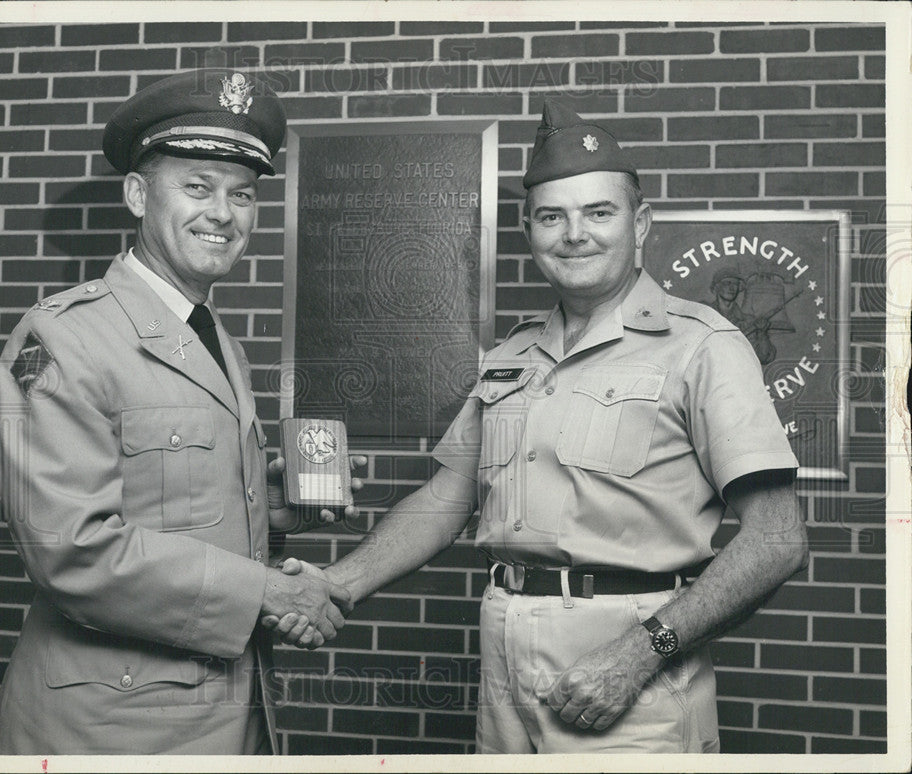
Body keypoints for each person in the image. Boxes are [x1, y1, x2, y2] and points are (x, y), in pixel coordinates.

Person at [266, 100, 809, 753]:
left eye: (598, 212)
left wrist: (643, 651)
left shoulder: (701, 345)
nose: (574, 233)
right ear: (529, 231)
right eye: (553, 216)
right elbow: (445, 501)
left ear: (641, 224)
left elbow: (777, 538)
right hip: (503, 655)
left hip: (631, 664)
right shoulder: (511, 357)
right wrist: (336, 584)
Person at [0, 69, 356, 755]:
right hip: (114, 730)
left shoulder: (215, 337)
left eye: (242, 195)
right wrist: (268, 594)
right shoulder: (64, 336)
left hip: (224, 711)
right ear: (137, 194)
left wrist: (267, 511)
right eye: (197, 186)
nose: (223, 213)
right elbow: (71, 550)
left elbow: (167, 504)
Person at [706, 266, 777, 364]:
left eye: (735, 284)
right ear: (716, 287)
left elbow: (764, 357)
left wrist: (762, 333)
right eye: (727, 283)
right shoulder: (704, 315)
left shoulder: (748, 322)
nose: (731, 288)